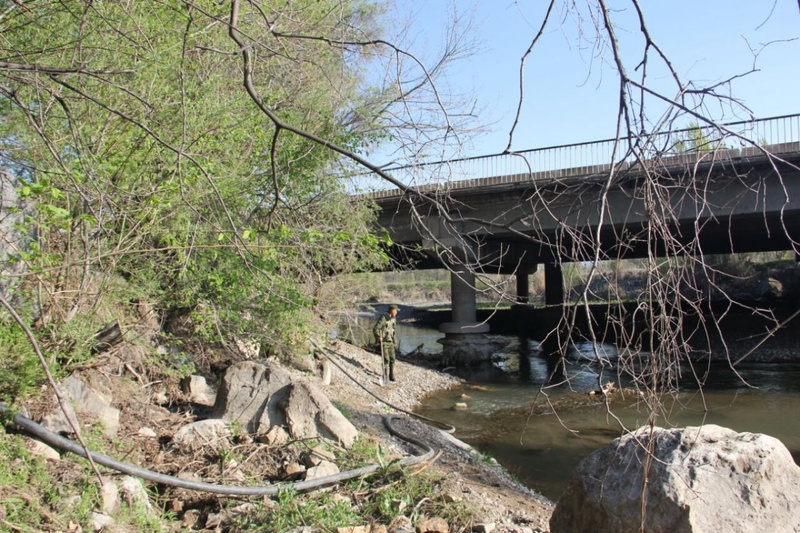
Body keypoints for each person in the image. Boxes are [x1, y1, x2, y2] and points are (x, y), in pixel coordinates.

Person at [373, 304, 399, 382]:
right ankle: (385, 375)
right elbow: (376, 328)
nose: (397, 312)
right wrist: (378, 336)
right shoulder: (383, 318)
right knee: (386, 359)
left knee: (392, 359)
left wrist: (395, 341)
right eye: (396, 310)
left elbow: (393, 331)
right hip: (384, 342)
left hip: (390, 341)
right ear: (392, 310)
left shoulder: (394, 319)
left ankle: (391, 375)